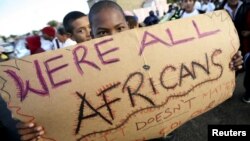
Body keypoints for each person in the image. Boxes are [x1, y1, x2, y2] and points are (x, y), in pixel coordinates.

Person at [16, 1, 243, 141]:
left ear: (129, 27)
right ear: (92, 36)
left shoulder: (151, 50)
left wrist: (225, 62)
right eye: (103, 33)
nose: (114, 38)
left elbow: (192, 65)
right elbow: (61, 110)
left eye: (120, 28)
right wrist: (38, 127)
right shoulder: (80, 74)